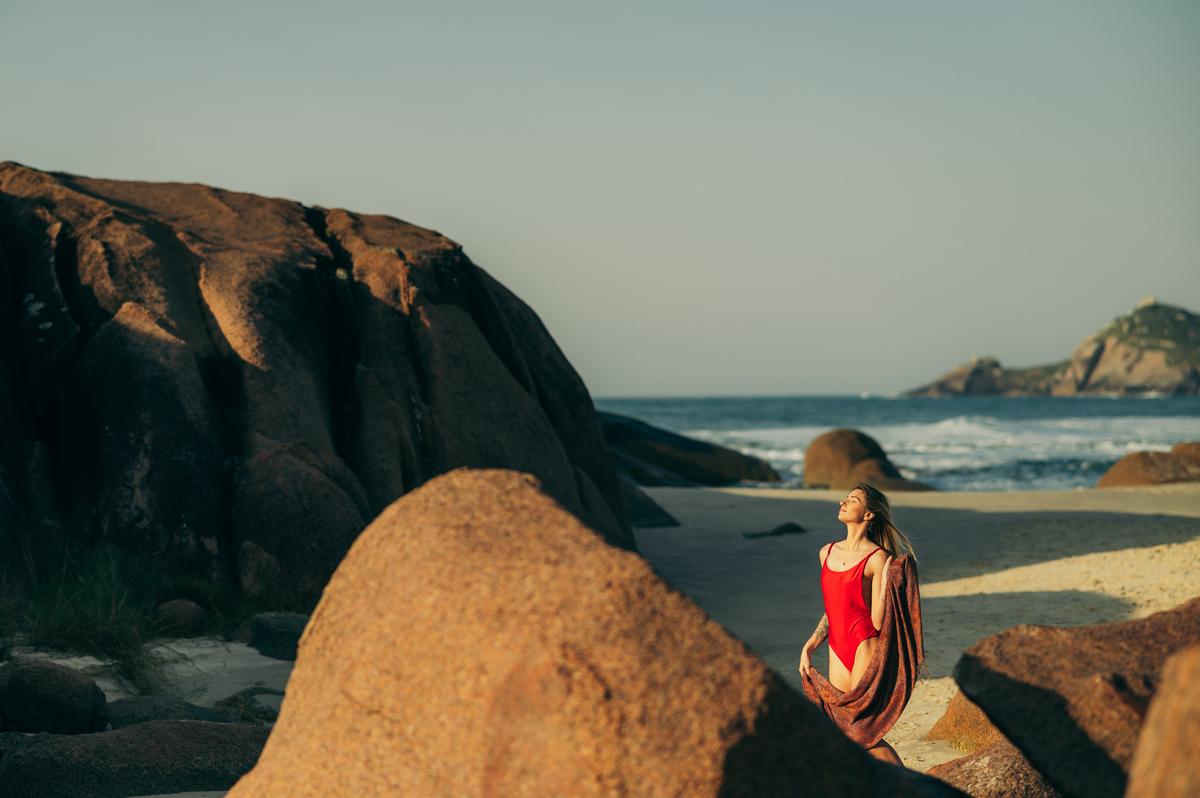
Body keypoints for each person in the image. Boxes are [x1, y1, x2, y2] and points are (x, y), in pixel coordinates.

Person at [798, 482, 920, 766]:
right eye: (847, 497)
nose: (844, 501)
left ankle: (907, 784)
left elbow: (877, 620)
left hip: (864, 645)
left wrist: (886, 584)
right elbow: (834, 607)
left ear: (868, 515)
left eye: (853, 500)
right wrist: (811, 643)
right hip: (837, 649)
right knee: (846, 730)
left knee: (863, 730)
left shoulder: (878, 557)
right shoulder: (826, 552)